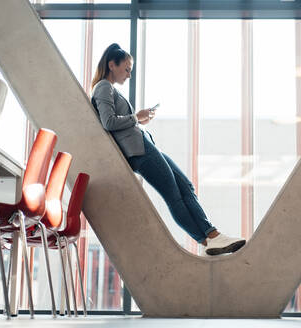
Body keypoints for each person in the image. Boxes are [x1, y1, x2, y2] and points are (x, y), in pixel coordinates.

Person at [91, 43, 245, 256]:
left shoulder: (109, 89)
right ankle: (206, 238)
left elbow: (117, 122)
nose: (128, 75)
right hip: (140, 152)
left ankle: (213, 236)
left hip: (145, 146)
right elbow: (108, 122)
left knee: (185, 186)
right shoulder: (103, 87)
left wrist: (139, 120)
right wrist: (136, 117)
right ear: (112, 65)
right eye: (126, 69)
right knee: (174, 195)